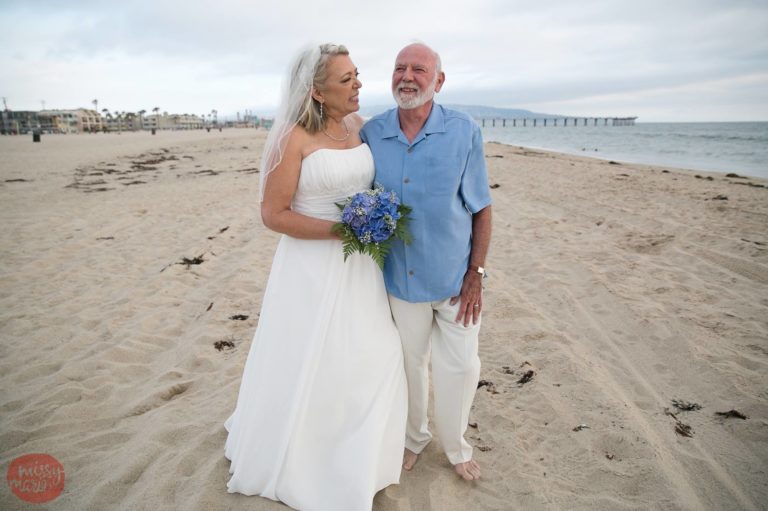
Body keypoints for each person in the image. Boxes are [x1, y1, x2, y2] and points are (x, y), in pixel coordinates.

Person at [223, 43, 407, 510]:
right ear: (317, 92)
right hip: (311, 267)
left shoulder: (361, 128)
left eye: (357, 75)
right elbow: (273, 214)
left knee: (375, 354)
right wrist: (343, 228)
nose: (359, 85)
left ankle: (363, 456)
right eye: (346, 80)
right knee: (312, 359)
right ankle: (307, 458)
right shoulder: (293, 139)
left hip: (363, 267)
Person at [361, 42, 492, 481]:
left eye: (419, 69)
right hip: (399, 280)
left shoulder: (463, 130)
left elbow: (481, 207)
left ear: (438, 81)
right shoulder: (372, 132)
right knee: (409, 368)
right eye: (400, 68)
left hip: (456, 281)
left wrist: (476, 275)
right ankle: (413, 438)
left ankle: (456, 447)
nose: (407, 76)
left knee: (461, 368)